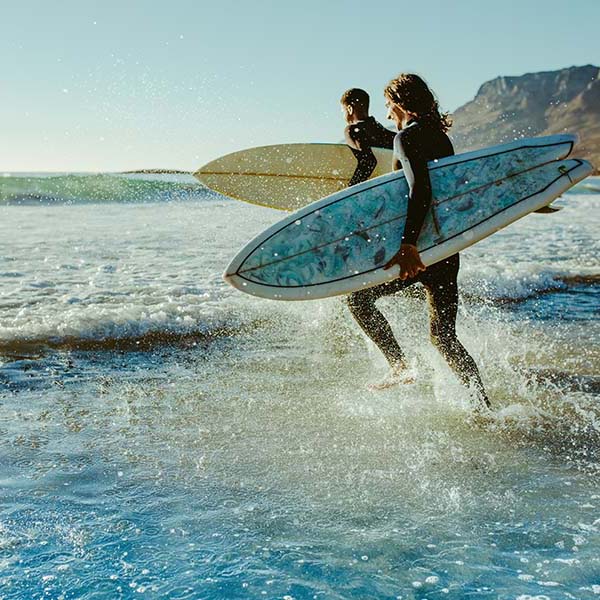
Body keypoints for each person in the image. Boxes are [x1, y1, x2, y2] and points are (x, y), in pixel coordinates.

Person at [344, 74, 490, 409]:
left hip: (419, 249)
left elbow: (419, 189)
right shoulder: (439, 137)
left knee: (358, 301)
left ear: (398, 103)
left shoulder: (407, 138)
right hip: (444, 248)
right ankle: (483, 407)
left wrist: (408, 245)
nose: (388, 113)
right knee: (443, 338)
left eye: (388, 106)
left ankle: (398, 365)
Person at [340, 88, 396, 186]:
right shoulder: (384, 132)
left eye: (342, 111)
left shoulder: (352, 130)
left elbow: (368, 161)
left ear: (349, 109)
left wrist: (351, 188)